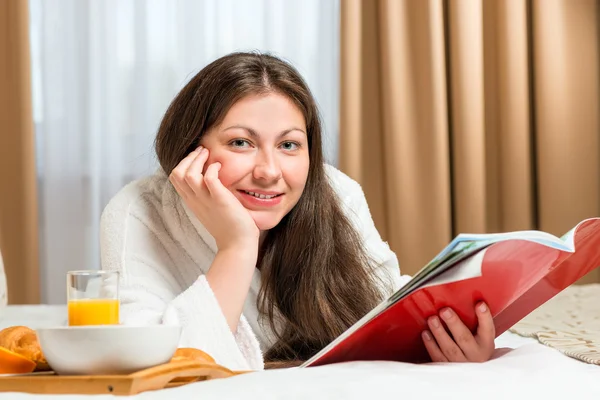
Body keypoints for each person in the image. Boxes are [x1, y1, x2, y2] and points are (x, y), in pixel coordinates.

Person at [100, 52, 496, 371]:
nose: (269, 172)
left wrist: (450, 345)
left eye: (289, 145)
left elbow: (387, 309)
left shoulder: (335, 192)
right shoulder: (138, 212)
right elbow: (163, 373)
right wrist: (236, 247)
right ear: (190, 148)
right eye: (240, 142)